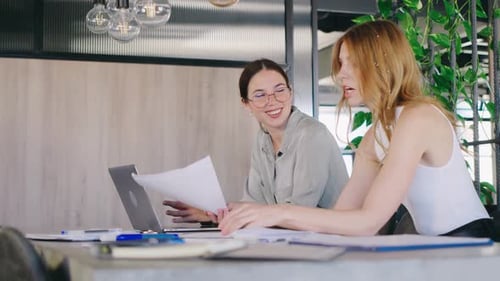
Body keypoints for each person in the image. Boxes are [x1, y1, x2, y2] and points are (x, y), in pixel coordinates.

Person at [217, 20, 498, 240]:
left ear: (382, 64)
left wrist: (276, 213)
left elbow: (368, 221)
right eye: (341, 63)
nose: (341, 75)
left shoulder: (418, 117)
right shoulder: (373, 136)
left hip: (472, 244)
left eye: (352, 63)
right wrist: (256, 216)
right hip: (437, 247)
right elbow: (344, 218)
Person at [162, 58, 349, 224]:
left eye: (279, 90)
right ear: (246, 104)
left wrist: (236, 215)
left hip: (337, 243)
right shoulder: (262, 139)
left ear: (290, 93)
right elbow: (254, 204)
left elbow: (297, 212)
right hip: (294, 242)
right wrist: (213, 214)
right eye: (260, 95)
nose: (272, 101)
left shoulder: (312, 134)